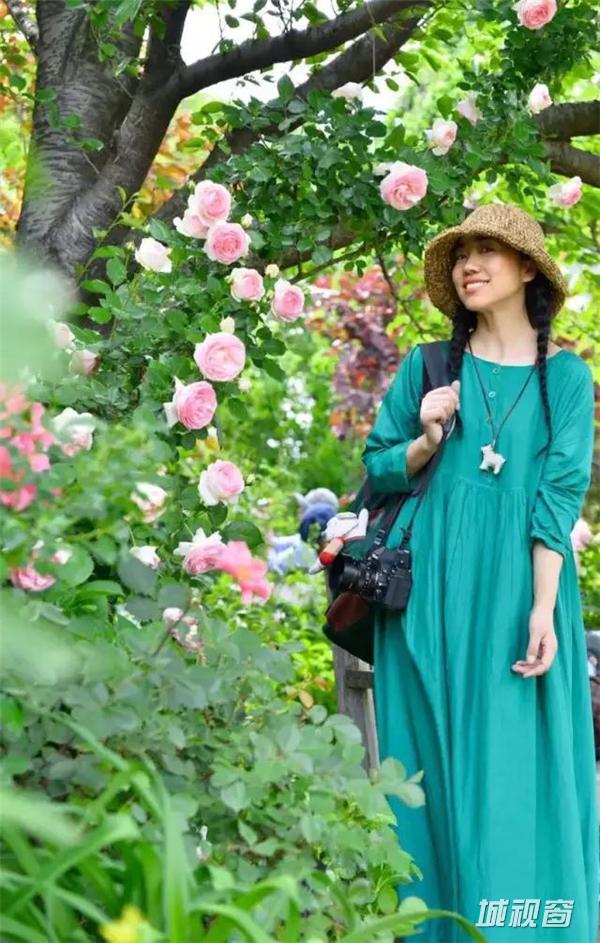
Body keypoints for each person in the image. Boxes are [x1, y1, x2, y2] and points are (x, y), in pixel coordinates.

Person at [362, 202, 598, 942]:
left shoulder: (566, 378)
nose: (470, 265)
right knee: (428, 777)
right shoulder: (428, 367)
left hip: (518, 598)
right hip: (428, 599)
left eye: (487, 251)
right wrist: (425, 440)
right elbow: (376, 468)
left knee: (511, 777)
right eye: (462, 254)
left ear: (526, 268)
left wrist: (542, 608)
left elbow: (558, 497)